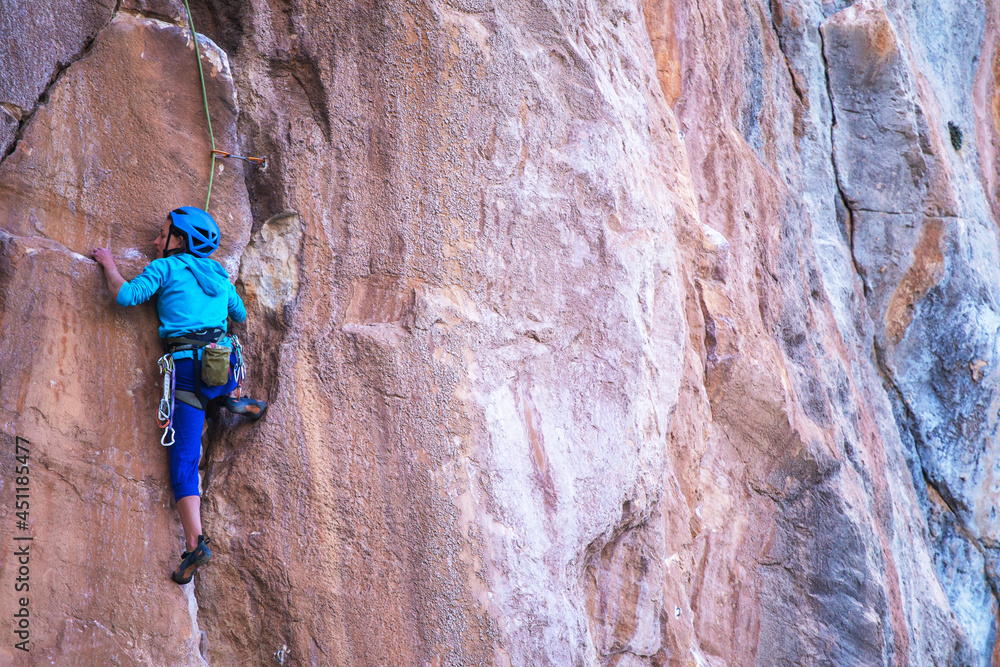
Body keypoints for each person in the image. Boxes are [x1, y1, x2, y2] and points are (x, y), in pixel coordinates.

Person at [92, 206, 266, 584]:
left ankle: (195, 542)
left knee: (184, 463)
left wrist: (107, 262)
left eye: (162, 233)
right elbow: (238, 314)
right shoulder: (219, 274)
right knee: (221, 357)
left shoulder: (164, 269)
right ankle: (231, 397)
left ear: (179, 241)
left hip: (186, 373)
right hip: (222, 366)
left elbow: (125, 296)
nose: (156, 241)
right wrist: (217, 288)